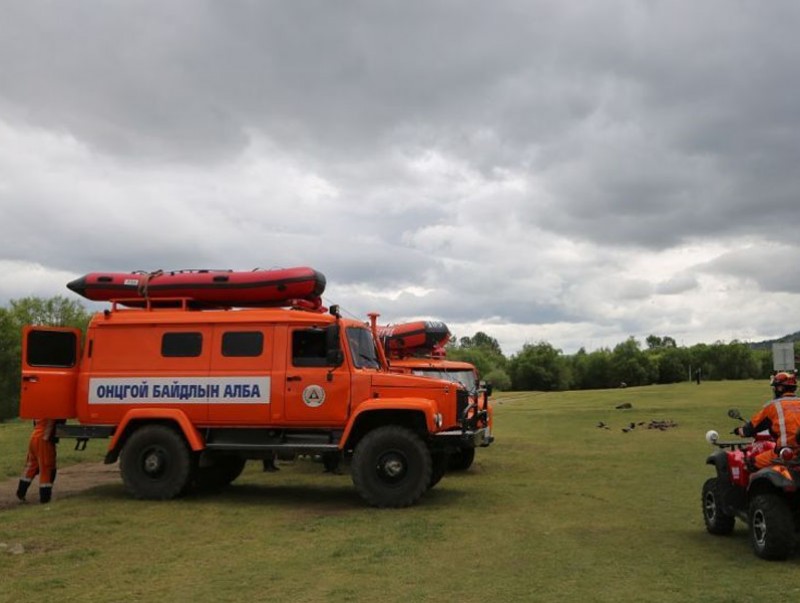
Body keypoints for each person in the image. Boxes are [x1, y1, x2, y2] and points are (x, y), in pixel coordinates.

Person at [733, 371, 800, 469]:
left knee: (751, 463)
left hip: (786, 453)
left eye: (775, 387)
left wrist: (739, 431)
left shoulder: (773, 406)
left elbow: (750, 429)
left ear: (780, 388)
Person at [16, 419, 59, 504]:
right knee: (47, 468)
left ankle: (20, 492)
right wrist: (47, 437)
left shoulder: (38, 407)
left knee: (31, 466)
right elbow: (51, 422)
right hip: (43, 438)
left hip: (34, 436)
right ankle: (45, 498)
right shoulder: (51, 408)